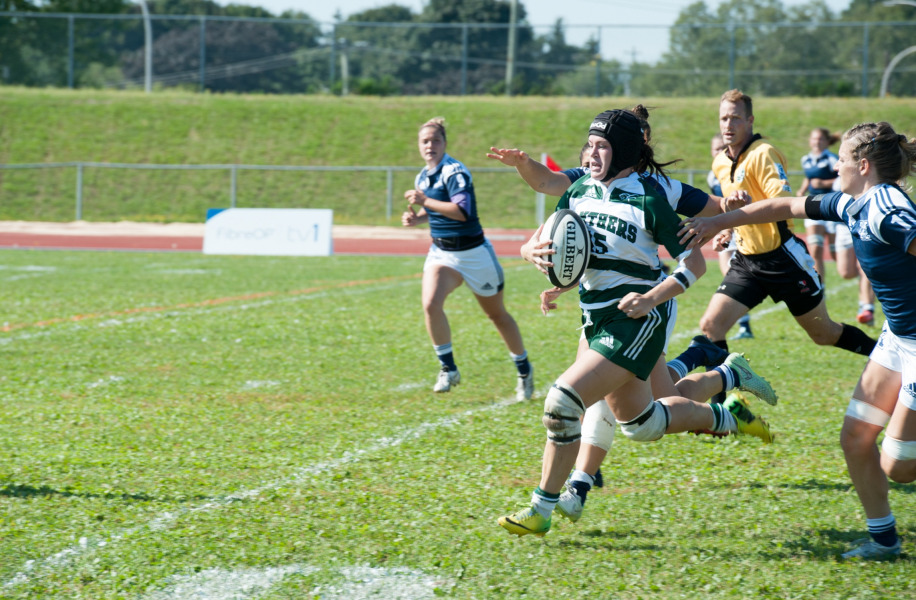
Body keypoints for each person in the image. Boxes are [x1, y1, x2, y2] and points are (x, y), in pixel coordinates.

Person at [489, 108, 776, 523]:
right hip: (596, 317)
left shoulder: (649, 199)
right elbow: (579, 248)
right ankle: (726, 412)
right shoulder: (579, 191)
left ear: (622, 150)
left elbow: (693, 264)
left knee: (563, 402)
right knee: (641, 423)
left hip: (638, 321)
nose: (590, 153)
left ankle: (542, 508)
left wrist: (653, 298)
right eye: (589, 144)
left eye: (600, 146)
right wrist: (551, 272)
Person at [680, 121, 916, 560]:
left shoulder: (884, 206)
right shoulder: (854, 203)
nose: (836, 168)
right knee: (856, 438)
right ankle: (885, 541)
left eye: (842, 160)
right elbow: (781, 205)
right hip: (897, 339)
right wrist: (719, 221)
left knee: (899, 466)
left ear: (862, 166)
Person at [697, 89, 875, 372]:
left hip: (783, 259)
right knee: (711, 326)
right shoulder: (720, 163)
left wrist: (739, 212)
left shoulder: (764, 154)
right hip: (746, 261)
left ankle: (884, 356)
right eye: (723, 118)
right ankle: (720, 408)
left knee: (824, 334)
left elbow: (781, 205)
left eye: (735, 118)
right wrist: (727, 230)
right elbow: (733, 209)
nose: (728, 125)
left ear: (750, 120)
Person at [402, 117, 534, 401]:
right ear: (418, 145)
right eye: (425, 141)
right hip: (442, 253)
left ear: (445, 143)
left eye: (435, 140)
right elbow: (439, 211)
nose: (430, 145)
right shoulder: (422, 176)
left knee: (496, 315)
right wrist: (418, 219)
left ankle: (524, 370)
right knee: (430, 305)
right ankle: (448, 368)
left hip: (474, 254)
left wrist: (424, 202)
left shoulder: (454, 170)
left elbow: (461, 211)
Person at [708, 132, 753, 339]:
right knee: (728, 273)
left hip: (741, 225)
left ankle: (743, 322)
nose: (719, 152)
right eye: (715, 149)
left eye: (721, 148)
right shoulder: (713, 174)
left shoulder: (737, 170)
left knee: (739, 276)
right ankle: (743, 324)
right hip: (725, 226)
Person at [798, 127, 840, 282]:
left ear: (827, 141)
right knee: (815, 249)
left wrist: (823, 182)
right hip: (812, 206)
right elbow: (808, 177)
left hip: (830, 207)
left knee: (836, 255)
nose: (816, 142)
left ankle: (859, 275)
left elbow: (842, 180)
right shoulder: (806, 159)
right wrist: (801, 190)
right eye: (814, 138)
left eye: (820, 139)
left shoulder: (832, 159)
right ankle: (819, 286)